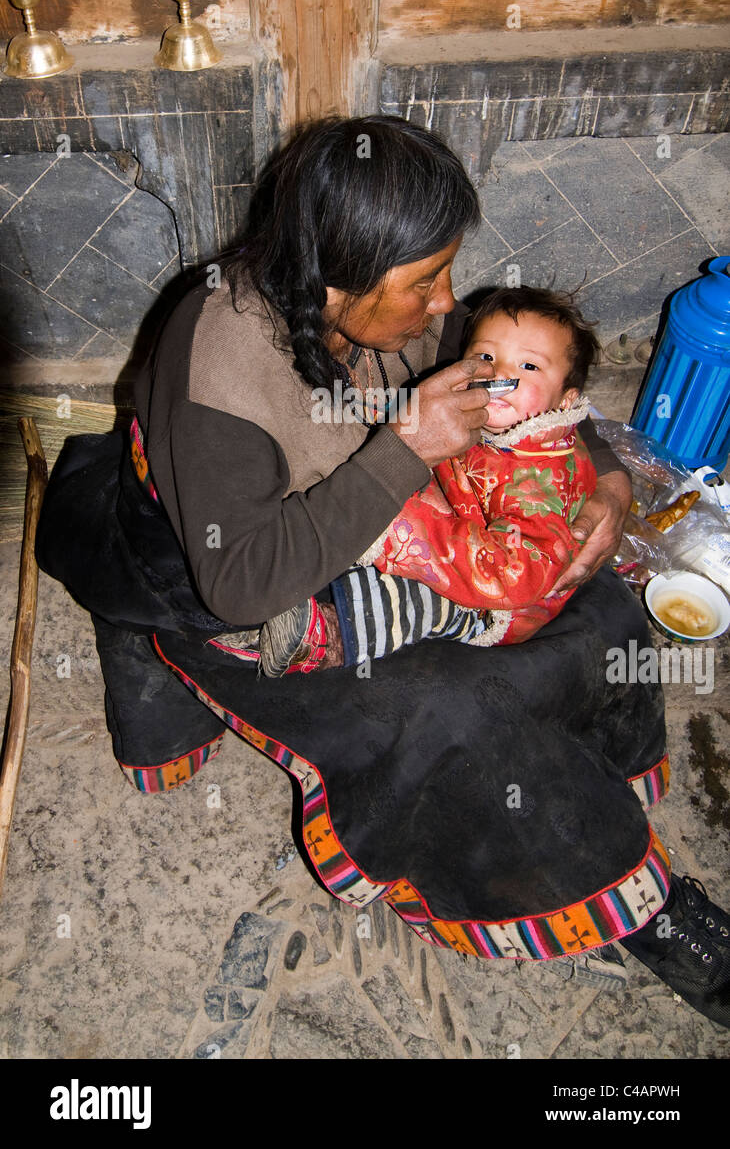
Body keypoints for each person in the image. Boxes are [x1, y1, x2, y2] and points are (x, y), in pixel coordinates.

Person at [35, 114, 730, 1028]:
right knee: (456, 711)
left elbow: (524, 380)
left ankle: (595, 790)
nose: (447, 304)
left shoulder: (379, 308)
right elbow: (238, 582)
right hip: (243, 592)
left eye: (445, 271)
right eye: (424, 282)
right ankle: (640, 910)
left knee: (594, 605)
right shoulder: (222, 367)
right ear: (336, 277)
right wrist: (405, 449)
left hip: (385, 529)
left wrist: (600, 484)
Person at [246, 284, 603, 676]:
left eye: (529, 366)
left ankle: (328, 637)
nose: (500, 373)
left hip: (501, 600)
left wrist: (402, 530)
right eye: (485, 356)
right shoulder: (499, 423)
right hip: (460, 521)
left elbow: (514, 577)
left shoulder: (538, 481)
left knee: (418, 601)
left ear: (566, 402)